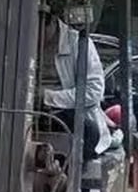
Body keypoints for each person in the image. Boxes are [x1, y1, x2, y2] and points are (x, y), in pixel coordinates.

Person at [40, 12, 111, 160]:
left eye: (40, 31)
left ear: (53, 22)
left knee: (88, 132)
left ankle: (68, 179)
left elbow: (94, 90)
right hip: (31, 114)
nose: (36, 37)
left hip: (65, 114)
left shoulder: (78, 43)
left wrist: (47, 97)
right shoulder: (21, 42)